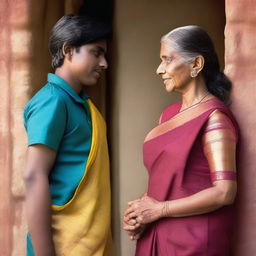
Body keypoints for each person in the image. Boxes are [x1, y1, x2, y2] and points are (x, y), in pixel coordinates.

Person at [123, 25, 238, 256]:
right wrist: (142, 211)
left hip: (194, 241)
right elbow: (169, 180)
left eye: (167, 60)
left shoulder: (214, 118)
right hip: (158, 232)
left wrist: (160, 209)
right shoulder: (167, 114)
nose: (159, 69)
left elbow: (225, 191)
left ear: (196, 65)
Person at [23, 14, 112, 256]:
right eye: (96, 52)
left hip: (87, 245)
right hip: (63, 247)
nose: (104, 63)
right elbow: (33, 176)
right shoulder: (52, 101)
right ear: (69, 51)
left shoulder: (81, 104)